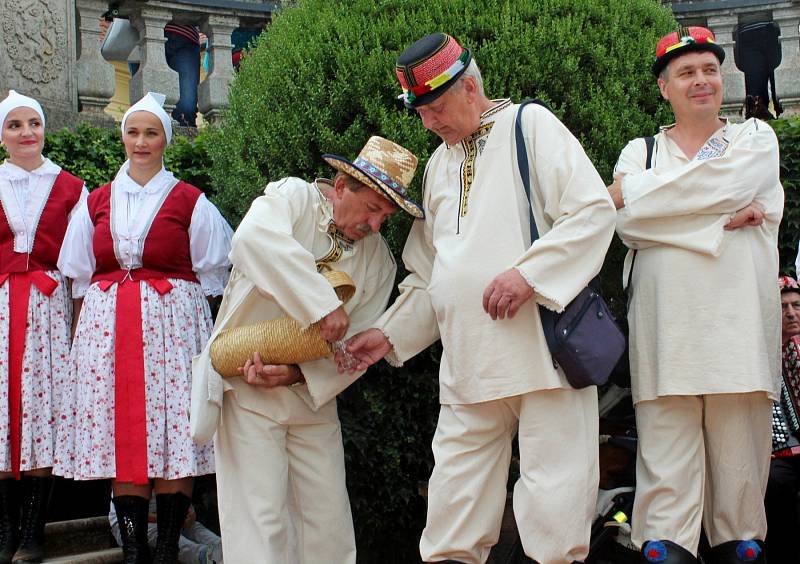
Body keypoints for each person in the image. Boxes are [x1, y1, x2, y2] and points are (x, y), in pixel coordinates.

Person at [341, 33, 617, 564]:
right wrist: (389, 333)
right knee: (453, 507)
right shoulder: (439, 166)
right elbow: (429, 274)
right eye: (421, 112)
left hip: (544, 354)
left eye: (437, 108)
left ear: (471, 88)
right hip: (468, 364)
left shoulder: (529, 126)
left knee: (555, 506)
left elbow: (591, 212)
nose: (429, 123)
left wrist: (528, 276)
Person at [190, 136, 421, 563]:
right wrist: (322, 303)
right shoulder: (293, 197)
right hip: (246, 386)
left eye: (385, 217)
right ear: (340, 186)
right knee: (261, 523)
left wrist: (297, 374)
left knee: (327, 522)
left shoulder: (380, 261)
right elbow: (251, 241)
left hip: (313, 400)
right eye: (372, 209)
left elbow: (357, 350)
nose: (375, 225)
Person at [608, 26, 783, 564]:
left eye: (709, 69)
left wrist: (641, 202)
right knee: (665, 512)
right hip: (667, 336)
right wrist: (715, 224)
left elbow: (644, 204)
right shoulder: (639, 152)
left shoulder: (754, 139)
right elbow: (625, 224)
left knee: (740, 506)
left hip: (740, 334)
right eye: (686, 72)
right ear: (664, 87)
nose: (701, 80)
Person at [54, 92, 233, 564]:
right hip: (108, 333)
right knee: (123, 434)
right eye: (133, 132)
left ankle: (169, 546)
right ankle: (135, 549)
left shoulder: (189, 201)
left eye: (151, 132)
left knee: (175, 432)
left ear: (165, 140)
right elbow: (78, 274)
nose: (141, 141)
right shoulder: (95, 202)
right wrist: (78, 346)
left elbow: (213, 273)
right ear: (122, 138)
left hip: (172, 331)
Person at [0, 90, 88, 564]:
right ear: (2, 136)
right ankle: (5, 529)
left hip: (48, 308)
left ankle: (33, 533)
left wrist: (80, 322)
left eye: (32, 122)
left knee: (40, 410)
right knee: (1, 413)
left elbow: (81, 266)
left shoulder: (73, 188)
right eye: (14, 125)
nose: (26, 132)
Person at [764, 275, 800, 563]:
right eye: (784, 307)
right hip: (778, 453)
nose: (791, 313)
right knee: (776, 482)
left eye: (797, 306)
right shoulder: (760, 351)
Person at [108, 496, 223, 564]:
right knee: (163, 533)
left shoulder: (167, 468)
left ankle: (224, 547)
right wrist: (169, 518)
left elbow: (184, 502)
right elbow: (130, 515)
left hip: (166, 520)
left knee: (193, 526)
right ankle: (205, 556)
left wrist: (189, 515)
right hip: (127, 525)